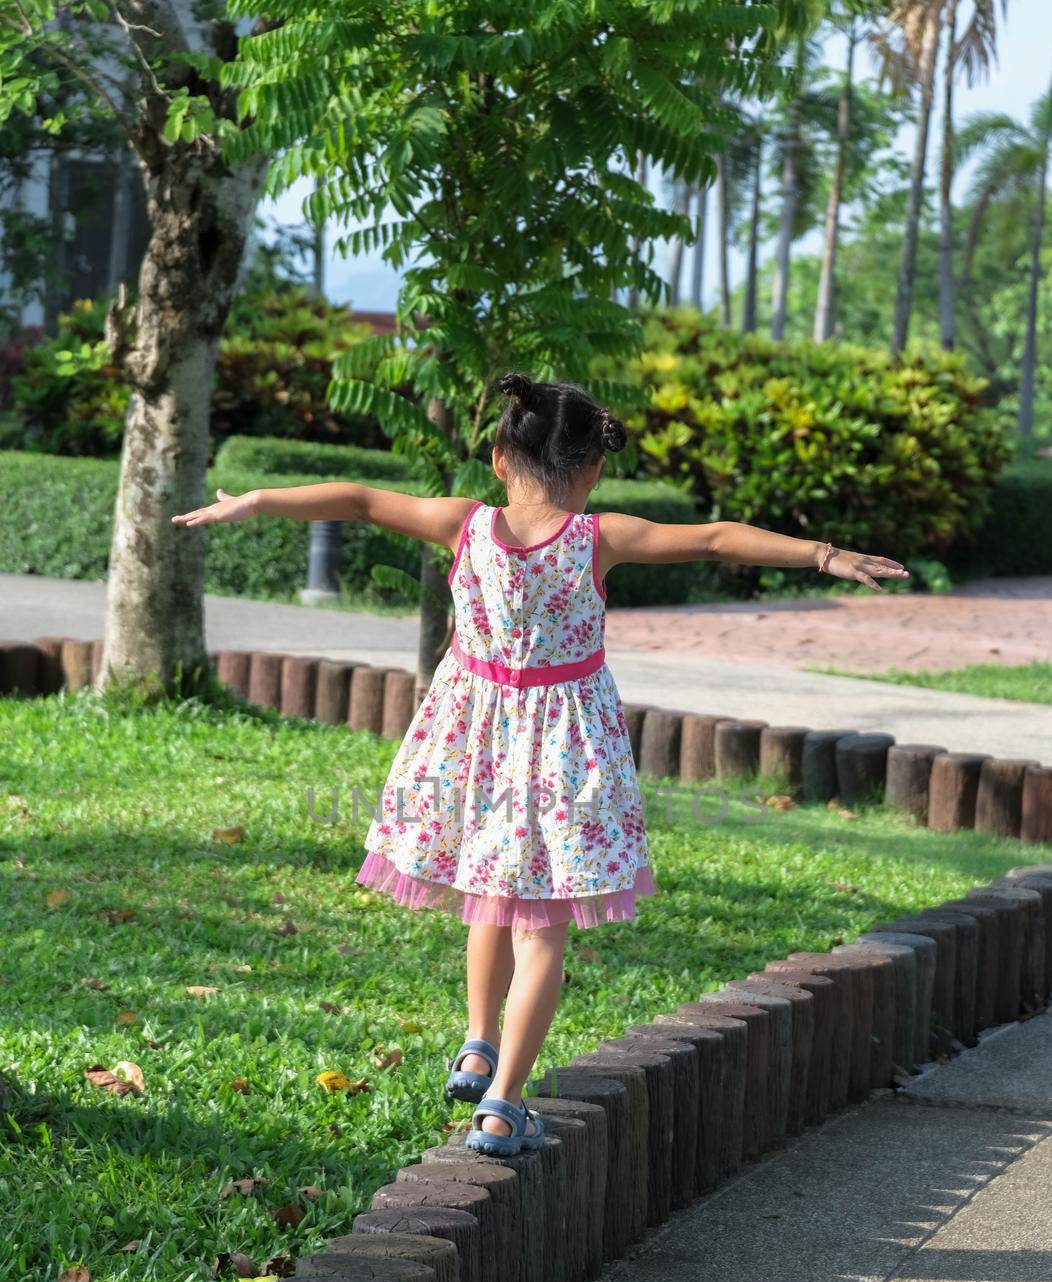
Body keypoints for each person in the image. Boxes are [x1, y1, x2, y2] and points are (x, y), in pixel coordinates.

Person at [173, 372, 908, 1157]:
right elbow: (718, 536)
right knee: (542, 928)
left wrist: (250, 502)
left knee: (489, 898)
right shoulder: (599, 538)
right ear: (592, 468)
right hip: (563, 748)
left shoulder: (463, 524)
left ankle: (477, 1041)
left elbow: (356, 497)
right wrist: (825, 554)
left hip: (470, 738)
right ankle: (501, 1106)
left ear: (497, 457)